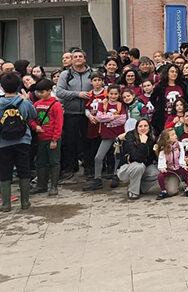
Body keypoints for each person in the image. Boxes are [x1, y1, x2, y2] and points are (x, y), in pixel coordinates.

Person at [0, 72, 37, 211]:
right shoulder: (24, 101)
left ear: (2, 87)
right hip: (23, 140)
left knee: (5, 171)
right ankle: (25, 202)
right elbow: (33, 115)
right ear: (18, 86)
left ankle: (6, 204)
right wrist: (27, 99)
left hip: (3, 142)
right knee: (24, 169)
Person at [55, 48, 91, 180]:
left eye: (80, 56)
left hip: (88, 114)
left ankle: (89, 167)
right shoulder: (65, 74)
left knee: (88, 141)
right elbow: (59, 92)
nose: (77, 59)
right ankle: (70, 167)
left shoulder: (91, 73)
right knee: (70, 141)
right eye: (74, 57)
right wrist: (77, 94)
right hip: (70, 113)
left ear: (84, 59)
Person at [83, 84, 127, 191]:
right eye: (111, 94)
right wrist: (113, 117)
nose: (113, 96)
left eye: (116, 94)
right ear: (108, 94)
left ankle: (116, 175)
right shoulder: (102, 104)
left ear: (119, 94)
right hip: (106, 135)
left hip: (118, 135)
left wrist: (107, 118)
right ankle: (97, 179)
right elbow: (99, 117)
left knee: (117, 156)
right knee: (98, 157)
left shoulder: (121, 105)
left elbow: (122, 119)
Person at [29, 79, 63, 196]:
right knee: (41, 162)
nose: (40, 94)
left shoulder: (56, 104)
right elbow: (31, 118)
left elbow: (59, 124)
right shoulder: (37, 104)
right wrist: (35, 126)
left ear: (49, 91)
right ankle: (41, 185)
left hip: (52, 138)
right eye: (38, 92)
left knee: (54, 162)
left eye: (42, 92)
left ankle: (54, 186)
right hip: (41, 137)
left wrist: (55, 139)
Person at [116, 118, 158, 199]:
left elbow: (152, 158)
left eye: (146, 126)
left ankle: (139, 188)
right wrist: (142, 143)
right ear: (136, 128)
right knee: (139, 166)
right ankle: (133, 192)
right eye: (140, 126)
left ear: (149, 128)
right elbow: (137, 158)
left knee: (158, 173)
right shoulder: (130, 137)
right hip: (126, 169)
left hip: (142, 168)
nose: (143, 128)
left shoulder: (151, 138)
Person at [155, 128, 188, 199]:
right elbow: (161, 159)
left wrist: (183, 165)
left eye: (175, 134)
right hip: (170, 169)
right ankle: (163, 191)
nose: (175, 136)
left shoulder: (179, 145)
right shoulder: (163, 148)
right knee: (160, 176)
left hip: (178, 167)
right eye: (173, 135)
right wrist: (162, 168)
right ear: (167, 138)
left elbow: (182, 155)